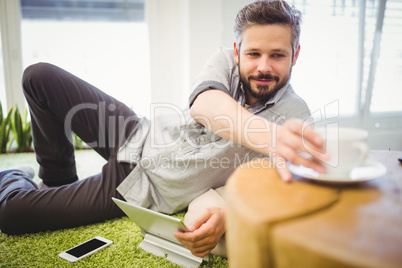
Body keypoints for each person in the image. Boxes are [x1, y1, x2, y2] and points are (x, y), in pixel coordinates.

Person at [0, 0, 328, 259]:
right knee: (37, 76)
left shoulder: (296, 119)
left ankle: (14, 175)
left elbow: (272, 188)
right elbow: (205, 106)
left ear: (295, 55)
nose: (263, 67)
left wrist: (226, 214)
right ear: (238, 49)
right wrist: (270, 136)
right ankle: (57, 179)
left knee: (11, 214)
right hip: (135, 131)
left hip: (141, 183)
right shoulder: (226, 61)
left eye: (278, 55)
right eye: (253, 53)